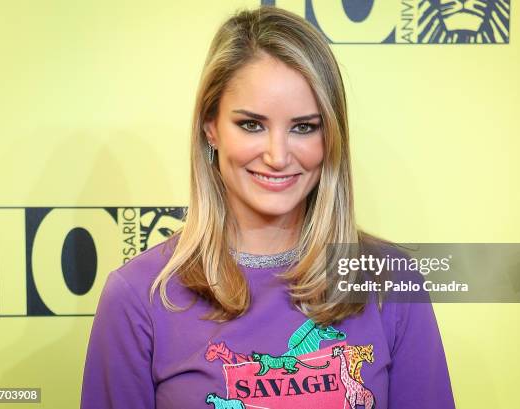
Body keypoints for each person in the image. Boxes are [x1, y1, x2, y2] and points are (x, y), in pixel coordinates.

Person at [80, 6, 455, 409]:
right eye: (252, 125)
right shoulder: (139, 297)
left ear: (331, 136)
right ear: (211, 127)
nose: (278, 156)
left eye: (303, 127)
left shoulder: (390, 286)